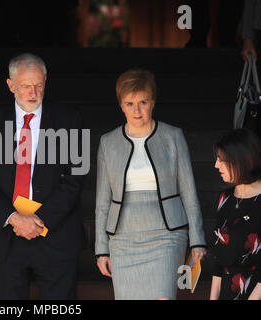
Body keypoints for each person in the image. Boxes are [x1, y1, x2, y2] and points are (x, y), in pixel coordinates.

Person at [0, 53, 85, 299]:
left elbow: (75, 178)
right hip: (8, 238)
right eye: (25, 86)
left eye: (38, 85)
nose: (33, 92)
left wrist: (39, 220)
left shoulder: (70, 119)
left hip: (57, 235)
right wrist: (14, 218)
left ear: (46, 81)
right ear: (11, 85)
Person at [95, 68, 207, 300]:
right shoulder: (108, 142)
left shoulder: (173, 136)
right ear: (120, 105)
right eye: (129, 103)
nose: (136, 110)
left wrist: (197, 240)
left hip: (167, 235)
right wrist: (101, 248)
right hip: (123, 238)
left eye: (143, 102)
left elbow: (188, 192)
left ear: (153, 102)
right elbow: (102, 202)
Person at [210, 128, 261, 300]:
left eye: (222, 160)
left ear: (242, 160)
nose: (216, 165)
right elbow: (220, 257)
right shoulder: (224, 198)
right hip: (227, 290)